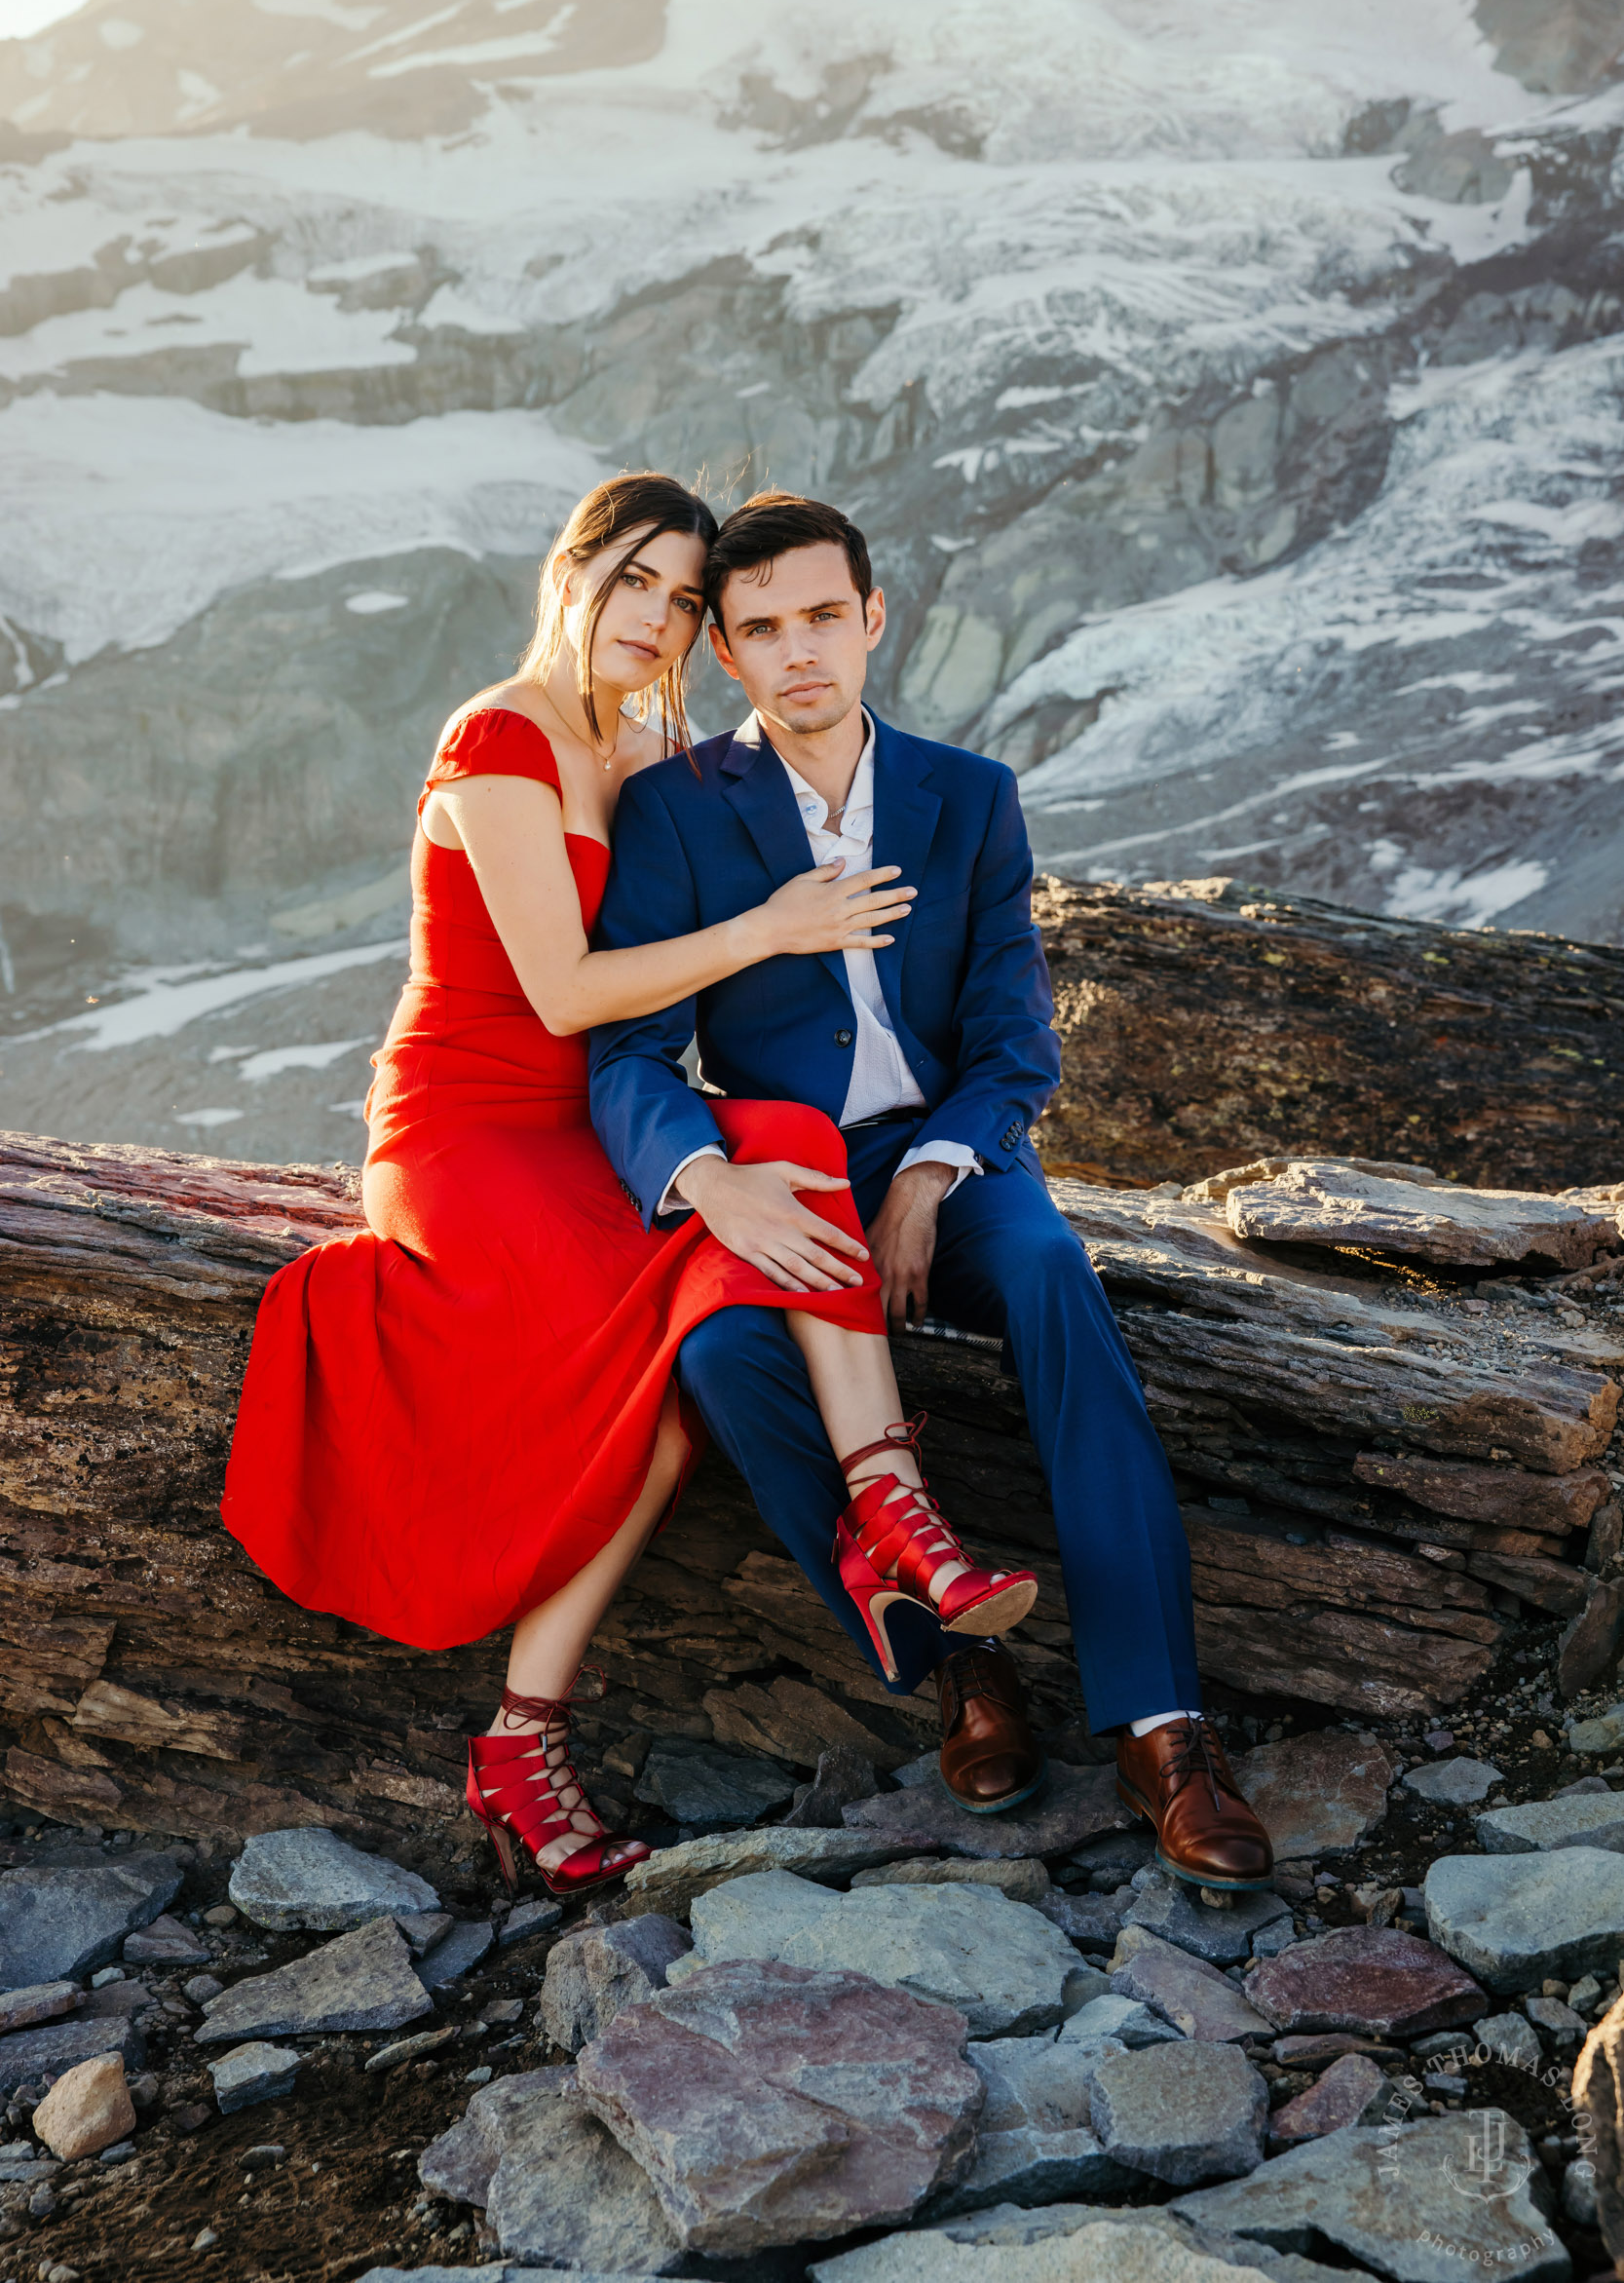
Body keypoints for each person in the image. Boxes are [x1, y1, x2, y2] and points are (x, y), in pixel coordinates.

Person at [222, 471, 1032, 1900]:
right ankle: (535, 1737)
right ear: (571, 571)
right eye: (635, 583)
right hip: (472, 1126)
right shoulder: (501, 737)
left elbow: (630, 1036)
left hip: (583, 1123)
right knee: (663, 1320)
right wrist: (775, 928)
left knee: (773, 1152)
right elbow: (562, 987)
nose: (655, 620)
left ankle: (885, 1513)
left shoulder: (646, 734)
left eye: (680, 598)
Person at [588, 491, 1273, 1887]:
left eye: (824, 618)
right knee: (721, 1353)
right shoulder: (674, 812)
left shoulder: (971, 796)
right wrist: (707, 1178)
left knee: (1049, 1277)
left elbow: (1018, 1038)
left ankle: (1163, 1727)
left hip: (951, 1156)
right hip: (781, 1168)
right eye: (762, 628)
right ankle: (961, 1663)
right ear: (722, 648)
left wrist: (932, 1176)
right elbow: (628, 1053)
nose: (799, 654)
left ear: (874, 617)